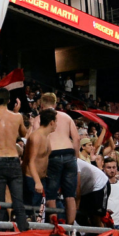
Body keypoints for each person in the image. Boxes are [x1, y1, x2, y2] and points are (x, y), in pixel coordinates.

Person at [36, 92, 81, 226]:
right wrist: (76, 158)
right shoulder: (66, 117)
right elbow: (77, 139)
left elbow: (34, 138)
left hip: (53, 156)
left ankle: (54, 226)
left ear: (41, 104)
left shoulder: (40, 118)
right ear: (55, 104)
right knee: (69, 195)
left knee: (51, 194)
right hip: (69, 155)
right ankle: (69, 227)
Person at [0, 88, 29, 231]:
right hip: (13, 159)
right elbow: (24, 134)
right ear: (9, 100)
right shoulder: (17, 117)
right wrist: (17, 111)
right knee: (19, 203)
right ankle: (24, 235)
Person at [23, 109, 56, 212]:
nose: (56, 125)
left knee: (39, 212)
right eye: (56, 122)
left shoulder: (46, 136)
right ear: (51, 122)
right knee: (31, 211)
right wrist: (37, 181)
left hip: (41, 179)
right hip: (32, 179)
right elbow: (30, 161)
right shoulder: (36, 137)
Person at [76, 157, 110, 228]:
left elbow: (77, 188)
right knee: (81, 218)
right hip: (85, 188)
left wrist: (76, 207)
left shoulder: (73, 162)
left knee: (96, 218)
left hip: (99, 184)